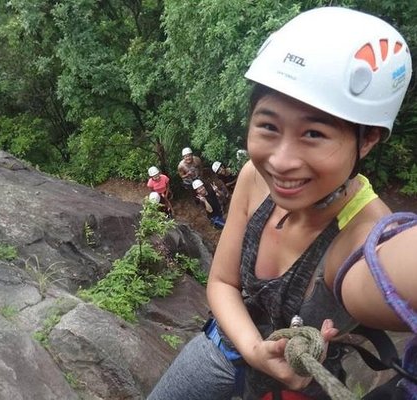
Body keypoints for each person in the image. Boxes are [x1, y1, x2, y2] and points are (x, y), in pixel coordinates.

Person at [147, 7, 416, 400]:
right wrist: (254, 349)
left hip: (294, 387)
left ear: (368, 139)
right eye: (269, 126)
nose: (281, 160)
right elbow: (222, 282)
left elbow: (397, 275)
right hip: (223, 350)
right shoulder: (254, 179)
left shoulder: (363, 234)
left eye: (313, 133)